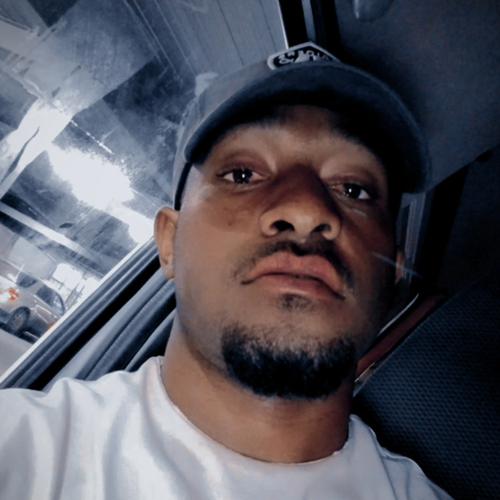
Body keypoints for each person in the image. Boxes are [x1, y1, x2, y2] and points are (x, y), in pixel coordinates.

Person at [0, 43, 452, 499]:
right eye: (242, 175)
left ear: (394, 271)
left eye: (354, 189)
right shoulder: (21, 447)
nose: (305, 209)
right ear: (169, 244)